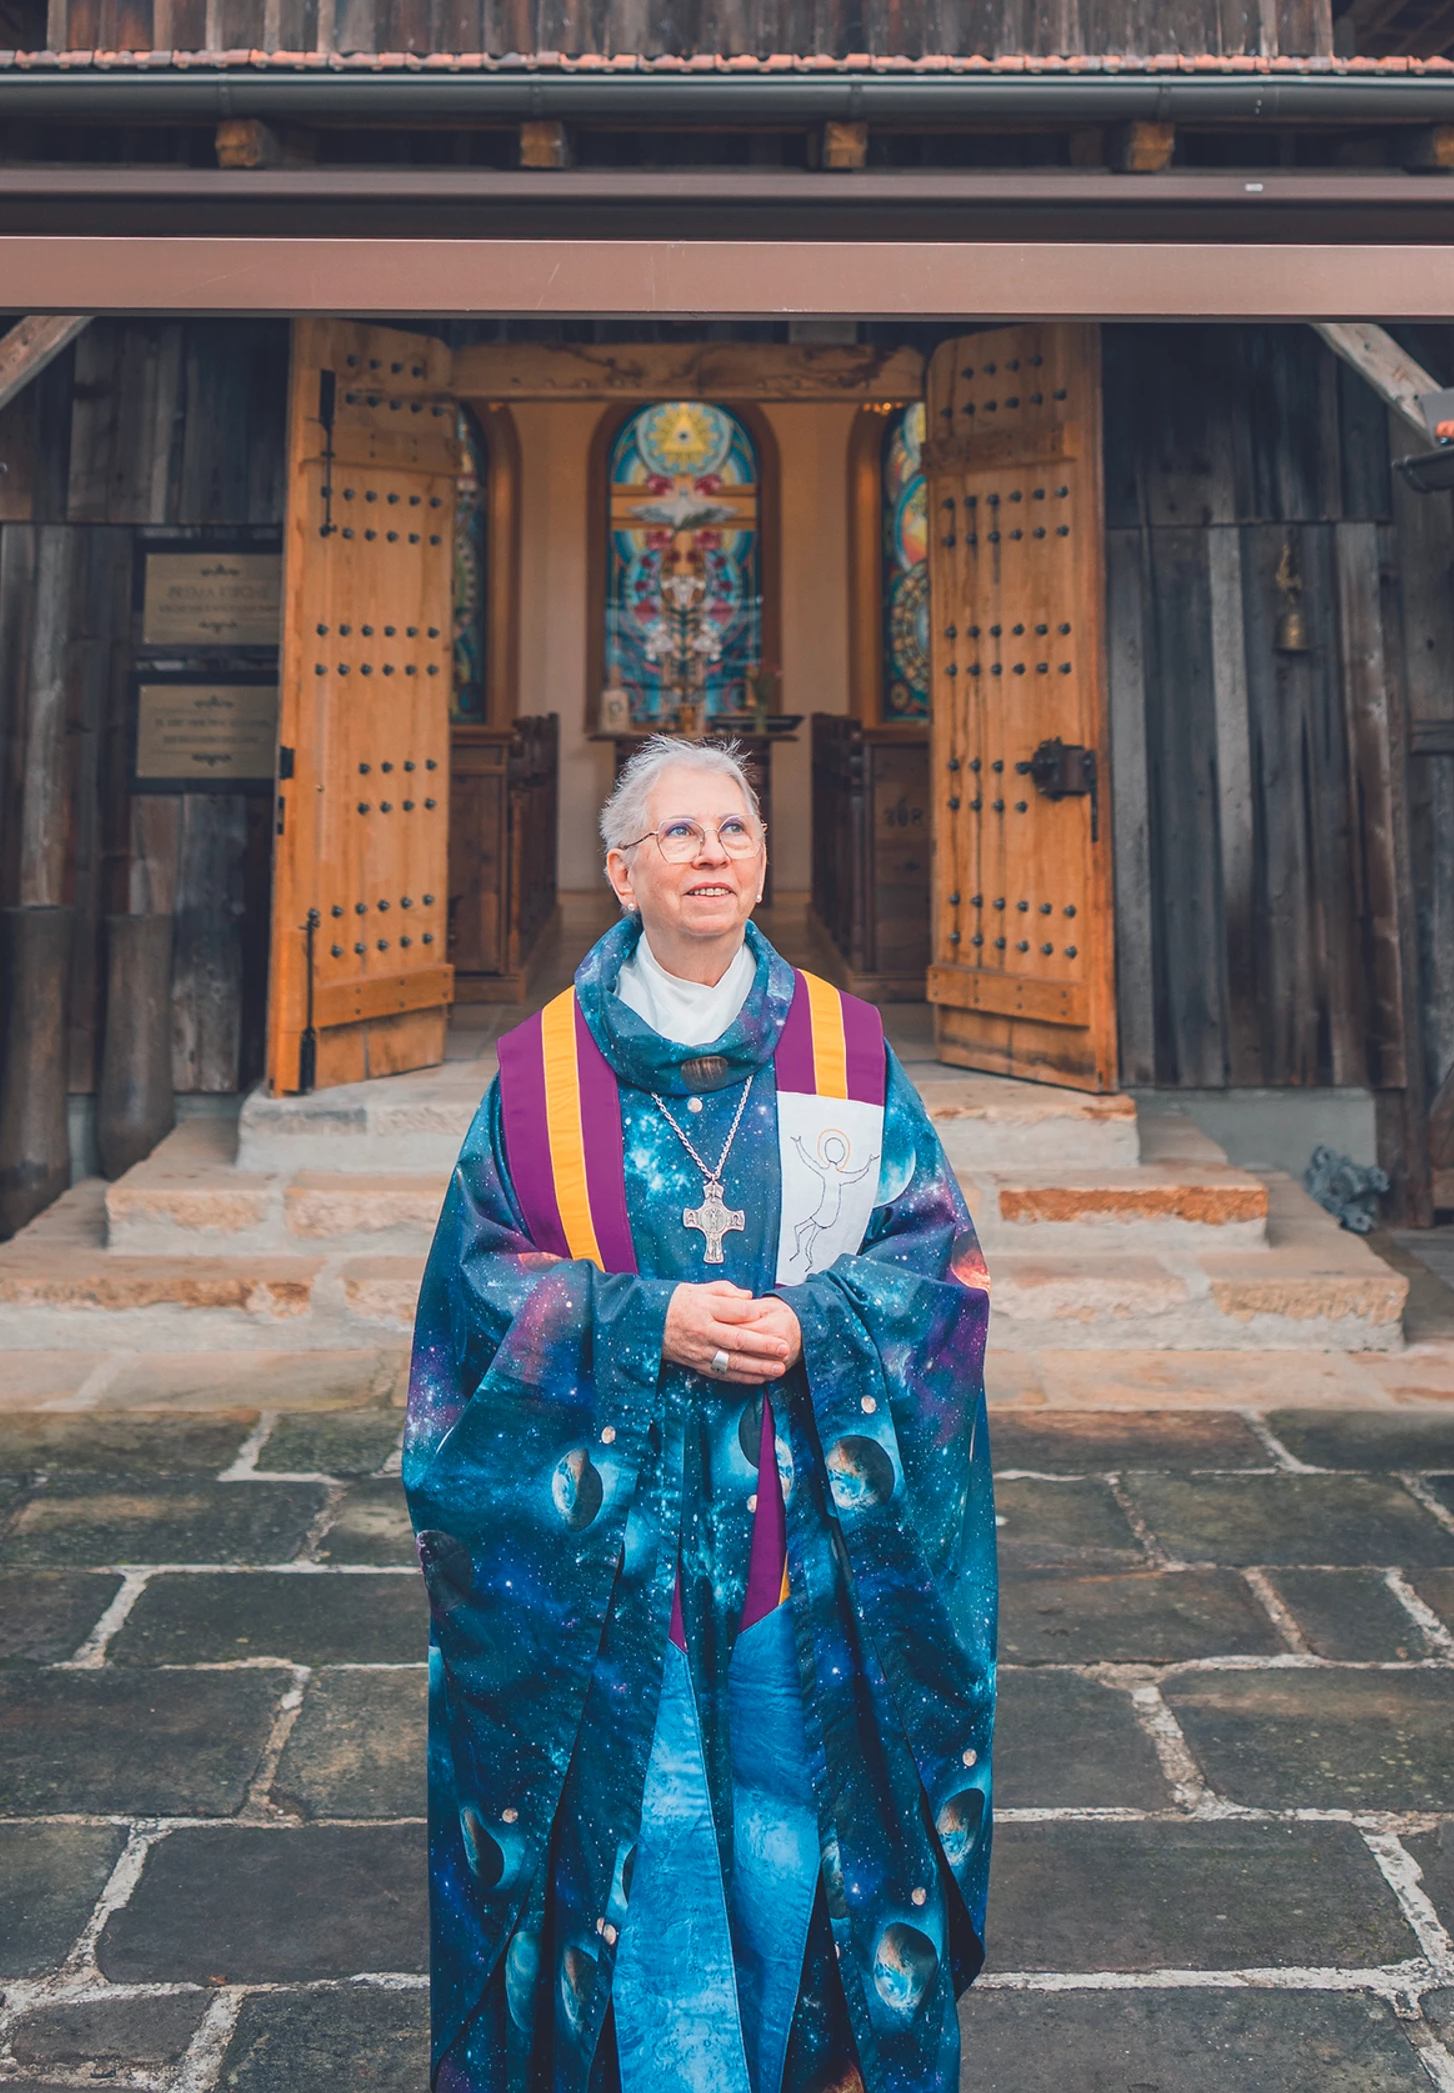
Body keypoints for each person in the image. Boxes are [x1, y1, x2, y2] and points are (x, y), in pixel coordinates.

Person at [405, 734, 997, 2093]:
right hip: (615, 1538)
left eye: (734, 830)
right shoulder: (540, 1074)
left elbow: (937, 1265)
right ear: (623, 874)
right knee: (651, 1817)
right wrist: (637, 1324)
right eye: (678, 834)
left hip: (807, 1524)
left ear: (764, 864)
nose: (712, 854)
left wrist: (824, 1323)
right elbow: (474, 1292)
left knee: (802, 1803)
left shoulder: (847, 1049)